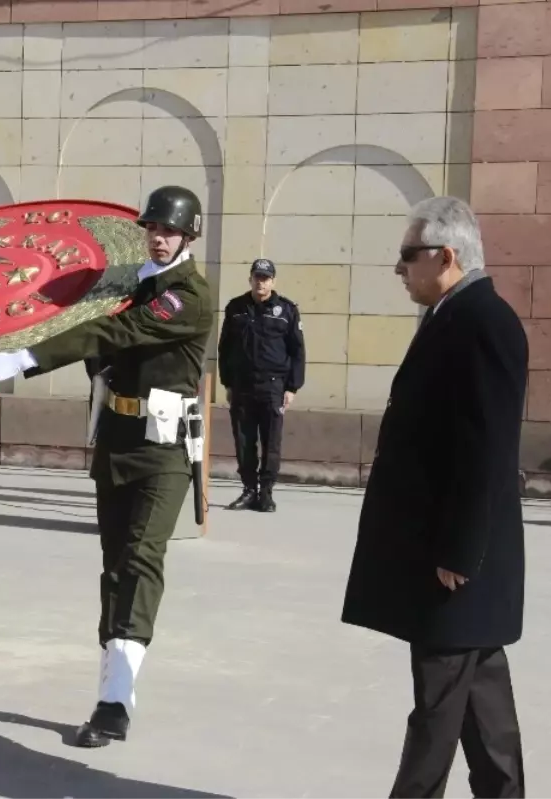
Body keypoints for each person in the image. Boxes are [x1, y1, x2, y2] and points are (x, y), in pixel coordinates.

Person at [0, 186, 214, 748]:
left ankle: (116, 701)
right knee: (114, 567)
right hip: (116, 437)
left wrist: (30, 356)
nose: (159, 238)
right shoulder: (127, 286)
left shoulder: (188, 296)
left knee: (141, 558)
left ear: (189, 237)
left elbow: (119, 332)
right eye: (152, 229)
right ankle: (110, 688)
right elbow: (90, 331)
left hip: (163, 448)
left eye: (170, 231)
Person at [340, 196, 528, 799]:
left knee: (438, 705)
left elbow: (487, 450)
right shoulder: (454, 315)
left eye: (407, 256)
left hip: (459, 558)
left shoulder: (484, 323)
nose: (399, 269)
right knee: (481, 695)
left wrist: (459, 551)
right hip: (454, 553)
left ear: (446, 256)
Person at [216, 258, 304, 512]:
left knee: (271, 441)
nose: (261, 282)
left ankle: (266, 492)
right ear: (250, 279)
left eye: (265, 278)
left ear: (273, 281)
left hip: (273, 386)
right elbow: (225, 348)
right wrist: (227, 382)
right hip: (242, 386)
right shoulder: (236, 308)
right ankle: (248, 490)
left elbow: (297, 351)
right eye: (257, 277)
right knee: (244, 441)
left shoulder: (286, 310)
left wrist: (292, 387)